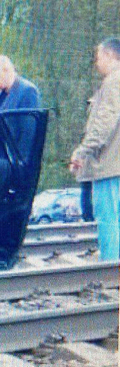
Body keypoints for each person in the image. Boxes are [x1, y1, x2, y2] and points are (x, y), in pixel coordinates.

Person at [70, 37, 120, 260]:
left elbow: (104, 123)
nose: (96, 63)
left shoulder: (113, 82)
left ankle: (110, 267)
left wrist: (83, 151)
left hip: (109, 165)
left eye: (98, 57)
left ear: (110, 56)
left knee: (108, 217)